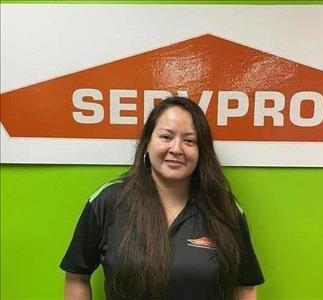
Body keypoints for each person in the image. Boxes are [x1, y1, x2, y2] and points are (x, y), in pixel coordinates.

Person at [60, 96, 264, 300]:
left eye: (189, 141)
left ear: (202, 151)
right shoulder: (109, 201)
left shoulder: (224, 208)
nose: (176, 149)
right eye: (166, 137)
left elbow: (245, 287)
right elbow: (77, 276)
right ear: (147, 142)